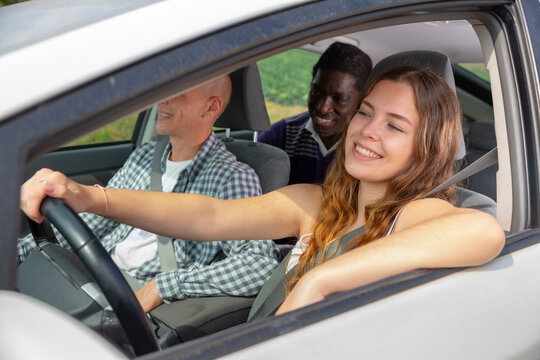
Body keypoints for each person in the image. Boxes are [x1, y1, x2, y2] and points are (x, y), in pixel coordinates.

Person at [21, 66, 505, 317]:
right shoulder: (317, 204)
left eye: (394, 125)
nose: (367, 130)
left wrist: (321, 279)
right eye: (366, 113)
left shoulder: (411, 214)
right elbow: (209, 216)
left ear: (426, 147)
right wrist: (93, 198)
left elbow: (481, 230)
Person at [18, 75, 279, 313]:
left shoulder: (232, 176)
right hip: (98, 272)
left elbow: (258, 263)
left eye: (179, 92)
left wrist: (162, 287)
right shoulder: (145, 156)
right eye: (165, 87)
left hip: (133, 298)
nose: (162, 99)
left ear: (211, 107)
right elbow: (93, 221)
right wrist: (19, 251)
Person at [258, 42, 372, 184]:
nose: (323, 108)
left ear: (361, 100)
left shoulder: (368, 147)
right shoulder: (283, 134)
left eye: (338, 99)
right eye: (317, 92)